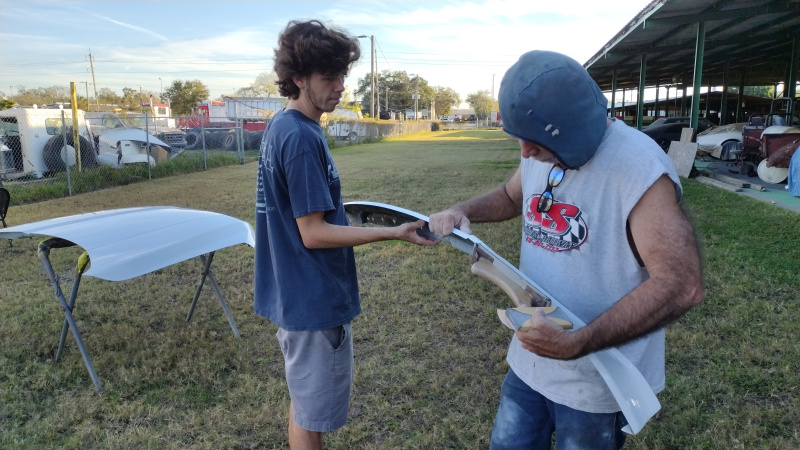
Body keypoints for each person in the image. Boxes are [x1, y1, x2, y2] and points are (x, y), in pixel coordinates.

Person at [429, 50, 703, 449]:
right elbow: (511, 195)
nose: (525, 152)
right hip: (530, 362)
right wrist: (462, 211)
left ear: (573, 128)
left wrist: (577, 343)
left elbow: (680, 284)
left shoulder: (639, 167)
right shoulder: (540, 148)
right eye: (519, 138)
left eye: (533, 142)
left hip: (595, 379)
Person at [253, 20, 437, 450]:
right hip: (313, 299)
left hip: (293, 295)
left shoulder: (282, 126)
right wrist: (393, 234)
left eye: (342, 76)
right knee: (311, 419)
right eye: (328, 77)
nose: (340, 87)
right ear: (299, 78)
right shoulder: (301, 138)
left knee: (303, 407)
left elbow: (300, 214)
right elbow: (313, 233)